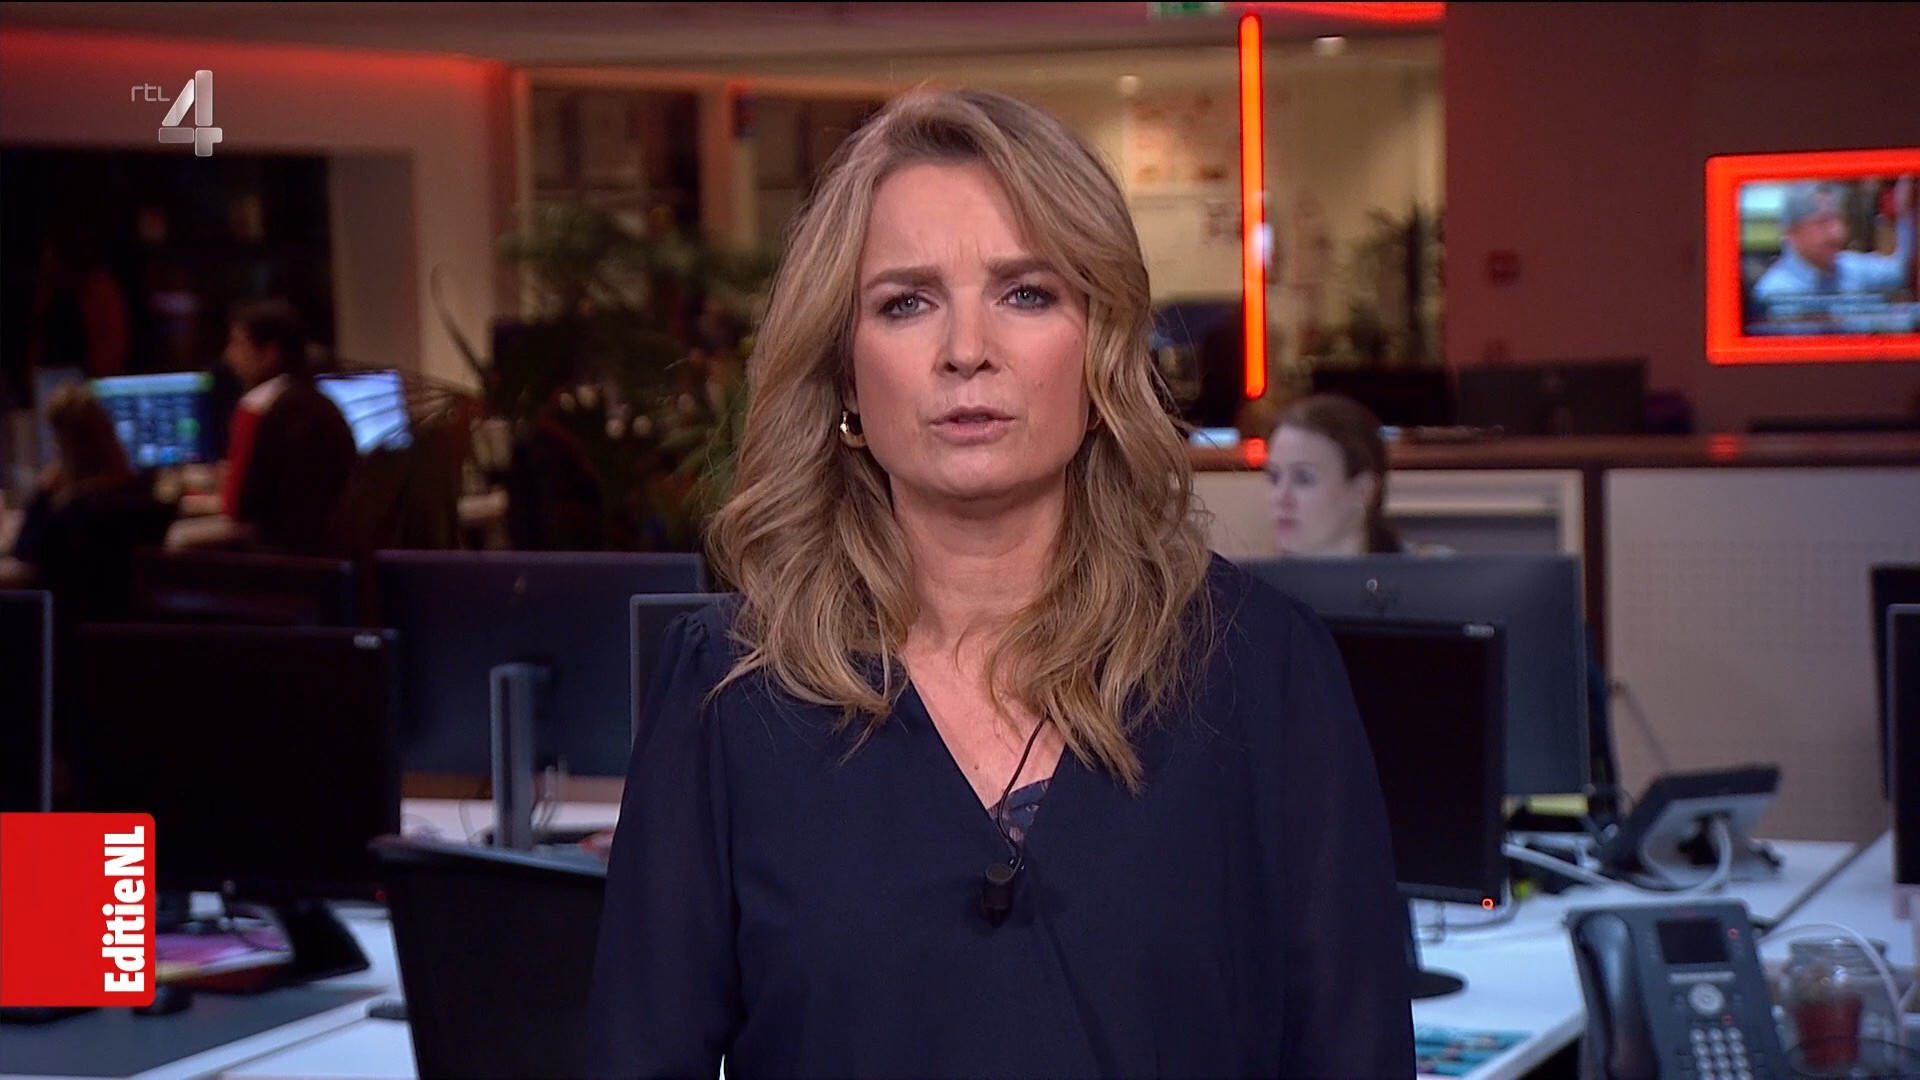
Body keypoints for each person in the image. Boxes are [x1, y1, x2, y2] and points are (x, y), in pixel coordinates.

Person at [586, 89, 1411, 1078]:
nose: (966, 351)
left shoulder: (1263, 670)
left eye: (1026, 294)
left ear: (1101, 348)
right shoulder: (730, 691)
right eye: (906, 303)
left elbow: (1354, 1051)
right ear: (846, 375)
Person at [3, 384, 173, 623]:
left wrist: (42, 491)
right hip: (132, 631)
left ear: (62, 448)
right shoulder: (144, 501)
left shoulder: (68, 518)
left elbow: (22, 552)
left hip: (71, 635)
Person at [216, 298, 357, 556]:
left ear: (270, 353)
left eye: (238, 343)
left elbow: (236, 507)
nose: (228, 355)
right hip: (331, 548)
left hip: (279, 551)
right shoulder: (322, 401)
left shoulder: (258, 405)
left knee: (177, 537)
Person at [1266, 392, 1432, 556]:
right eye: (1274, 478)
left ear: (1362, 491)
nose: (1281, 497)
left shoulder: (1434, 570)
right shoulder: (1256, 573)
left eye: (1303, 478)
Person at [1751, 178, 1913, 311]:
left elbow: (1903, 271)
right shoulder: (1775, 292)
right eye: (1822, 222)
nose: (1837, 232)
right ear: (1792, 231)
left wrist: (1906, 210)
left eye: (1837, 219)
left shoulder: (1851, 267)